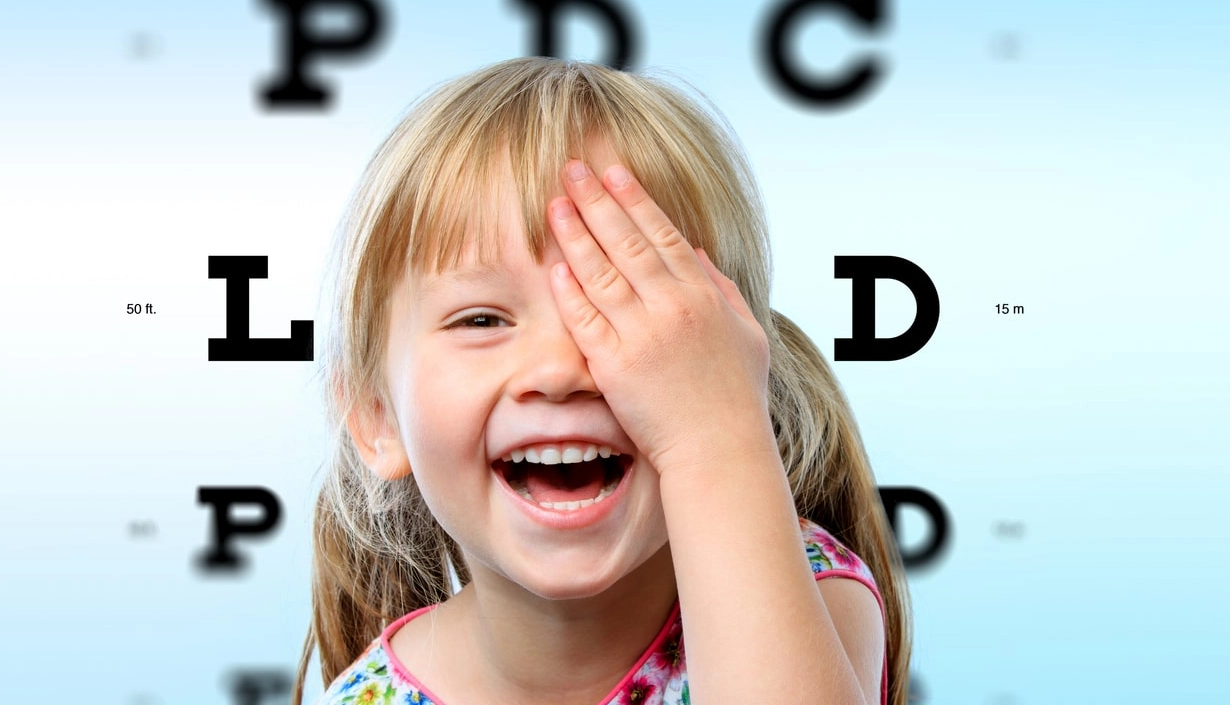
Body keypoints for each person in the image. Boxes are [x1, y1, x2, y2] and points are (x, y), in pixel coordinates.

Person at [293, 56, 913, 705]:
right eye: (480, 319)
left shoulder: (805, 597)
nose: (560, 370)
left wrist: (716, 435)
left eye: (624, 309)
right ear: (376, 416)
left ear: (731, 371)